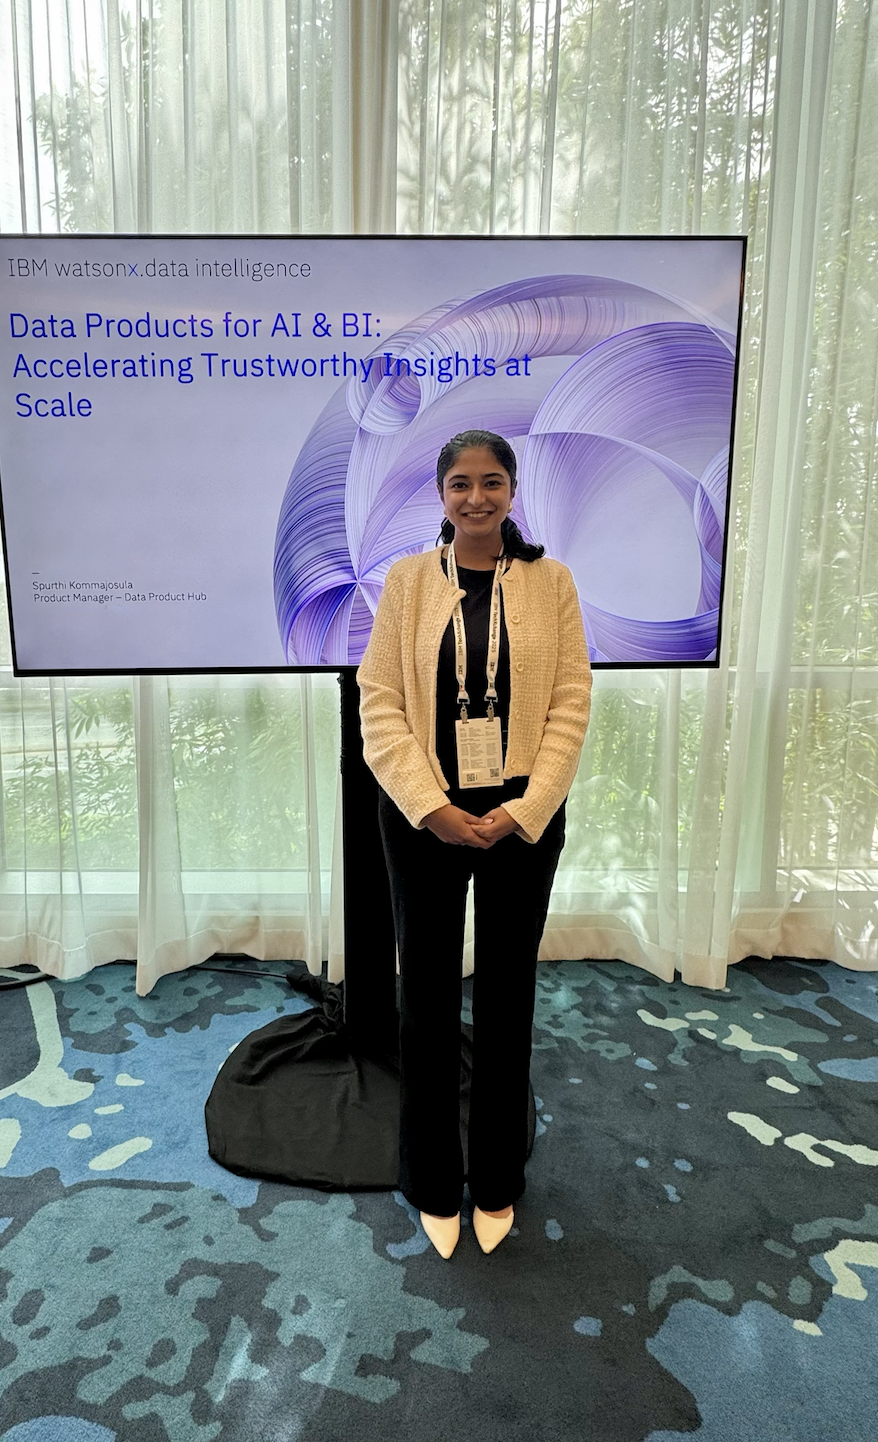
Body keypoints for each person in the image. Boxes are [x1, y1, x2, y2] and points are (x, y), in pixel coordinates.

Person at [357, 429, 592, 1258]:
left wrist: (524, 809)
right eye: (461, 484)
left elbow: (570, 704)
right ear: (441, 494)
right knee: (423, 998)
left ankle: (496, 1178)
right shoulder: (408, 581)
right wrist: (431, 806)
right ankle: (429, 1179)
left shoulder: (551, 582)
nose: (477, 498)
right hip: (424, 817)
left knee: (505, 995)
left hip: (522, 815)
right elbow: (379, 702)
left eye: (492, 483)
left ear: (514, 491)